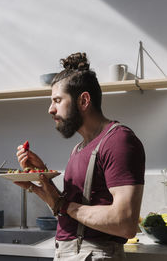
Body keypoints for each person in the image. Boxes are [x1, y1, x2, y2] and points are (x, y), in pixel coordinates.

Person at [15, 52, 145, 260]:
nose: (50, 109)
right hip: (71, 252)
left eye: (57, 100)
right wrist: (39, 179)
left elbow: (126, 222)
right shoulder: (79, 149)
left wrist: (64, 205)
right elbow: (67, 211)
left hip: (93, 253)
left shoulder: (118, 140)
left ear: (84, 100)